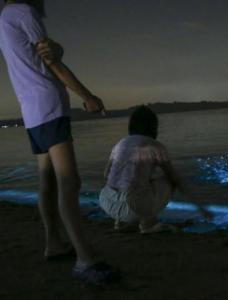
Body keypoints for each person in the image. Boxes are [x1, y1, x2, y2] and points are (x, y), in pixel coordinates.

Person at [0, 0, 120, 284]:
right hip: (49, 104)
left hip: (31, 111)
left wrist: (58, 49)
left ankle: (53, 243)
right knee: (70, 182)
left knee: (48, 181)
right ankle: (84, 259)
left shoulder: (4, 18)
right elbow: (51, 60)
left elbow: (44, 51)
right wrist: (88, 96)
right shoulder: (23, 11)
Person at [100, 106, 211, 233]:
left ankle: (118, 222)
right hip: (132, 206)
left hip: (106, 201)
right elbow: (176, 179)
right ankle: (147, 225)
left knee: (134, 179)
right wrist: (201, 207)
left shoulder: (121, 144)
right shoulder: (155, 146)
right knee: (166, 180)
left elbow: (106, 174)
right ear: (153, 127)